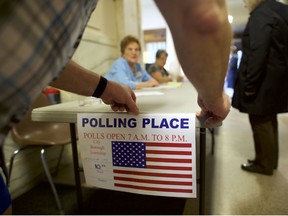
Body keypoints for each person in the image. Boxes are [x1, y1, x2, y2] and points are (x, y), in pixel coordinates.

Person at [0, 0, 232, 214]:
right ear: (123, 51)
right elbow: (202, 17)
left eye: (137, 50)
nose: (134, 53)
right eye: (131, 50)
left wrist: (104, 87)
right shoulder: (120, 65)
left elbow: (51, 63)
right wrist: (214, 97)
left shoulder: (137, 67)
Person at [232, 0, 288, 175]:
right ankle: (269, 161)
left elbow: (258, 50)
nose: (245, 5)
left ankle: (263, 164)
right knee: (269, 119)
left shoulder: (261, 14)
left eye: (245, 1)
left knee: (259, 121)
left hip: (262, 80)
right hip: (276, 78)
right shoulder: (281, 11)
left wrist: (250, 84)